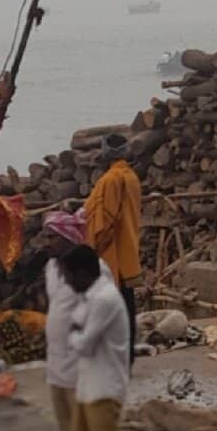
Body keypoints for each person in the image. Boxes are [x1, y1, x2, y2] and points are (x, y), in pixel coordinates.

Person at [49, 244, 142, 431]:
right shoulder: (89, 296)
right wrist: (76, 331)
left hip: (105, 388)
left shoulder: (104, 299)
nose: (66, 283)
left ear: (83, 273)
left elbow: (82, 343)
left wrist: (75, 334)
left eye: (68, 276)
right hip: (89, 387)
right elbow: (75, 328)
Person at [83, 133, 143, 357]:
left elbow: (105, 220)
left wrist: (95, 246)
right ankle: (125, 355)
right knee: (126, 303)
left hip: (112, 252)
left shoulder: (110, 180)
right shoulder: (132, 177)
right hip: (128, 248)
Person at [42, 211, 88, 431]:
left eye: (51, 237)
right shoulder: (51, 267)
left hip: (81, 365)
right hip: (56, 364)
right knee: (66, 430)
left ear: (68, 238)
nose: (46, 242)